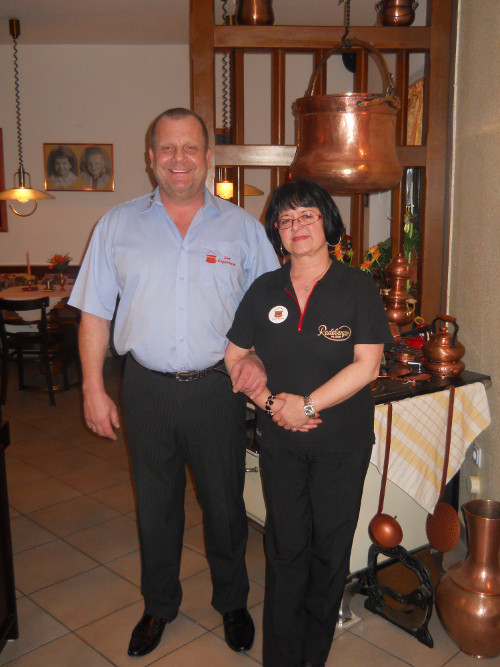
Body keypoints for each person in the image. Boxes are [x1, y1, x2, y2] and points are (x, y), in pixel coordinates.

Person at [68, 108, 279, 658]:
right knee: (156, 507)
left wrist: (256, 358)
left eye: (190, 148)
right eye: (167, 148)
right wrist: (94, 388)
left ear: (208, 158)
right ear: (150, 157)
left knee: (225, 506)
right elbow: (94, 313)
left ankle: (232, 600)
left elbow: (269, 310)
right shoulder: (116, 226)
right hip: (146, 389)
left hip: (218, 387)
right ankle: (159, 605)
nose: (178, 159)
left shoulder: (243, 229)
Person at [225, 179, 394, 666]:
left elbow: (367, 365)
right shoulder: (263, 289)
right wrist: (272, 401)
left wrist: (309, 406)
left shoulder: (357, 287)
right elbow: (234, 355)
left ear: (328, 223)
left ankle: (313, 654)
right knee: (284, 549)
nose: (296, 226)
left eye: (307, 216)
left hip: (342, 445)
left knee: (329, 550)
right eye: (285, 219)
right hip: (281, 445)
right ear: (276, 231)